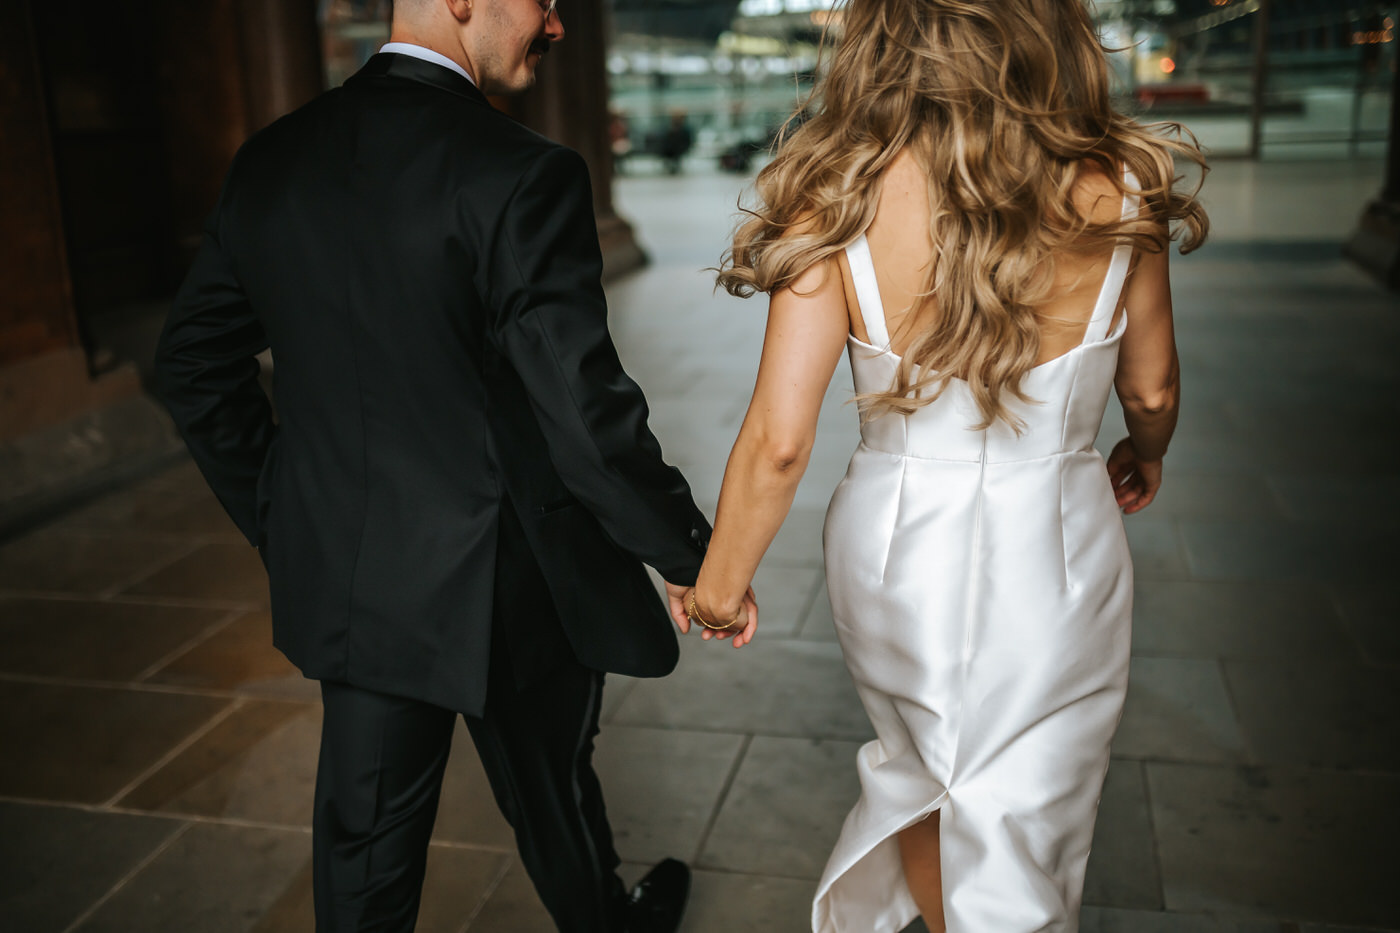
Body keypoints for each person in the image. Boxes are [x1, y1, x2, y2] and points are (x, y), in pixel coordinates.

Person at [153, 0, 747, 930]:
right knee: (553, 788)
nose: (554, 25)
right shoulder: (520, 174)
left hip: (361, 579)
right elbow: (585, 418)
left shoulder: (272, 159)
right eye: (543, 2)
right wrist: (690, 553)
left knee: (365, 846)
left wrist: (289, 517)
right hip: (513, 581)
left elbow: (191, 366)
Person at [681, 1, 1209, 930]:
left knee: (929, 772)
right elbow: (1155, 389)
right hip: (1061, 538)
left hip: (898, 546)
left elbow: (779, 436)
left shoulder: (837, 188)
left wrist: (721, 582)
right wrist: (1143, 451)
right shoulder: (1122, 181)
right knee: (1036, 794)